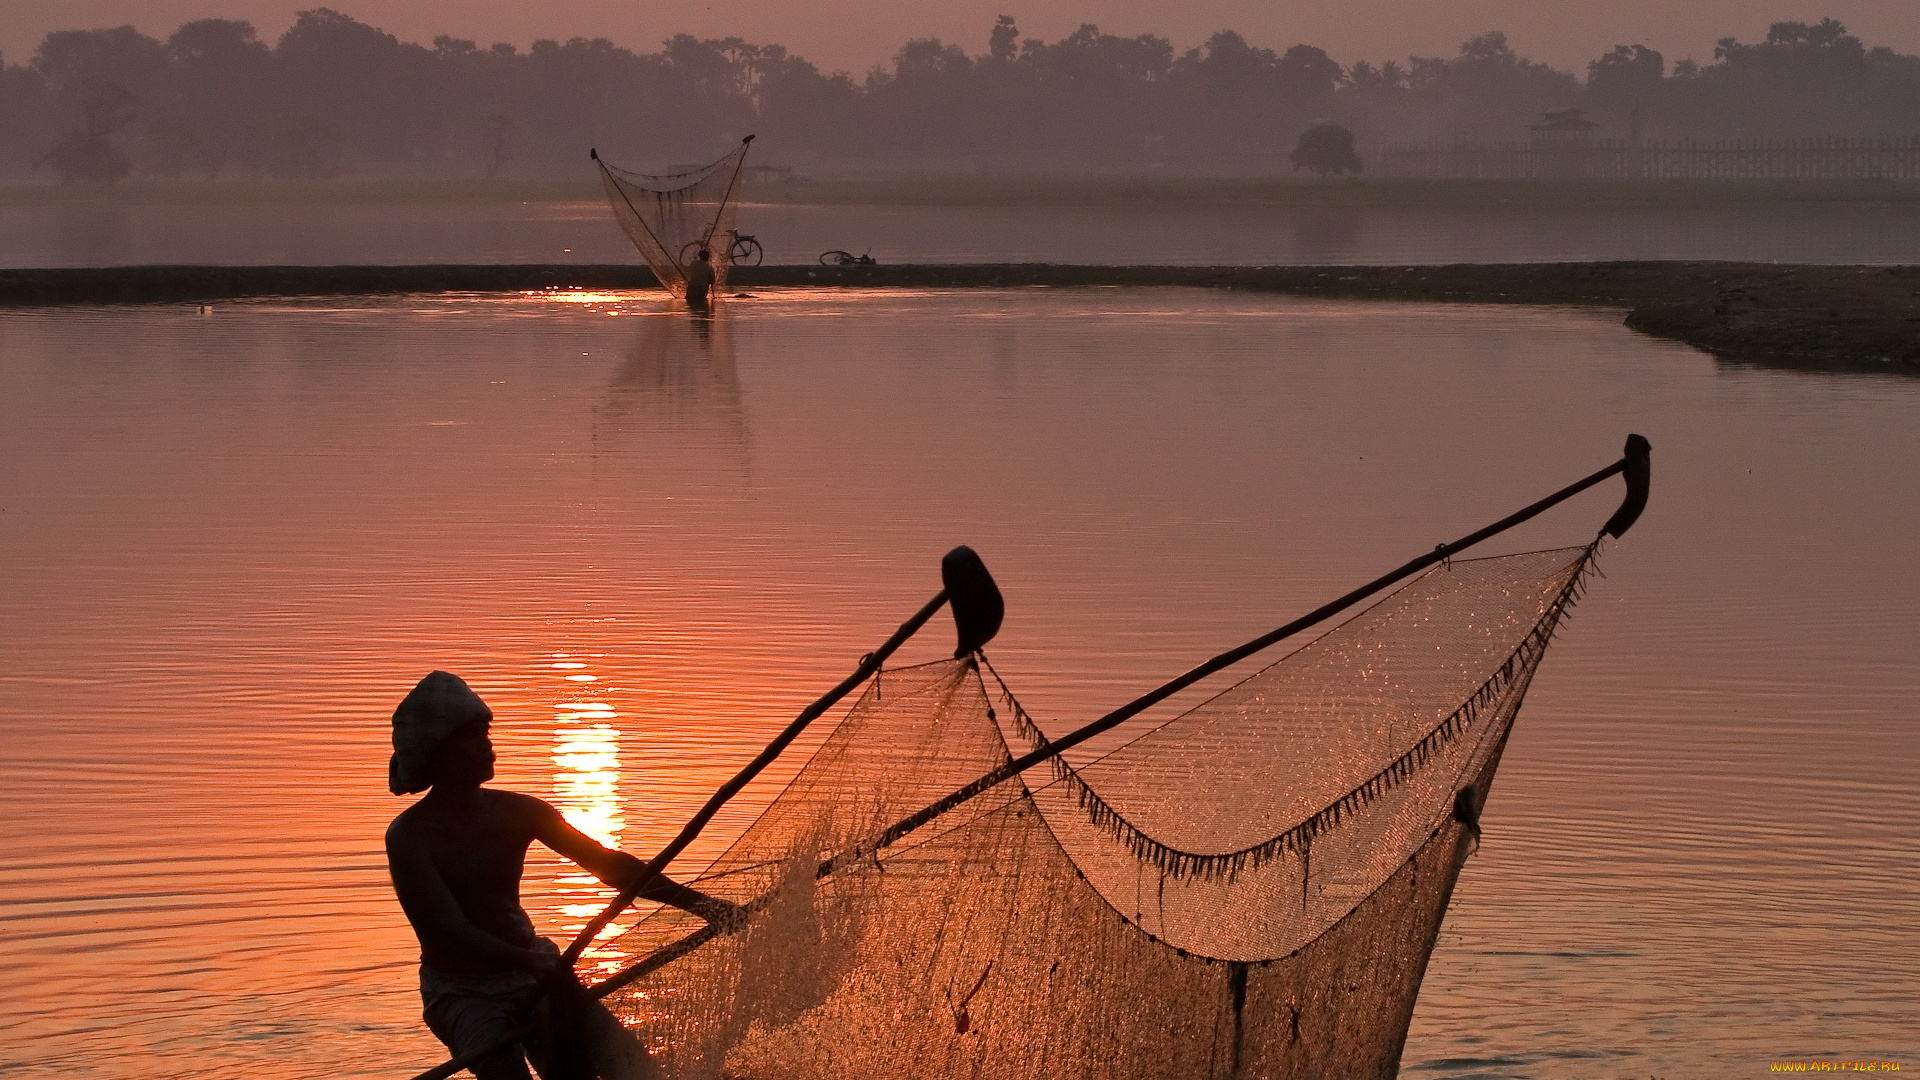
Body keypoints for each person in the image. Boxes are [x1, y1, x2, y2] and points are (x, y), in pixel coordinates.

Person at [385, 671, 732, 1080]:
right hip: (463, 992)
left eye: (486, 735)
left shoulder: (521, 812)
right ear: (438, 754)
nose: (488, 747)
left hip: (534, 971)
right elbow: (450, 930)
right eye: (473, 739)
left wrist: (705, 906)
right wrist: (532, 963)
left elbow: (609, 864)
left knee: (632, 1067)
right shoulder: (410, 837)